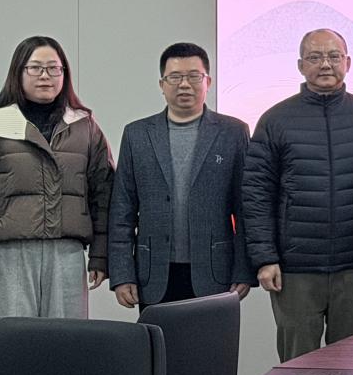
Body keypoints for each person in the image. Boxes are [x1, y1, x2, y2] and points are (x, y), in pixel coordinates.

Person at [243, 29, 353, 361]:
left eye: (334, 56)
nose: (325, 64)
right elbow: (256, 194)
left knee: (352, 366)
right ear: (300, 65)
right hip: (295, 269)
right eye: (315, 57)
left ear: (347, 63)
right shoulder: (276, 119)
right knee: (298, 367)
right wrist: (265, 258)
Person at [108, 42, 253, 308]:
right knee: (157, 337)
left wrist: (244, 270)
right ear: (162, 84)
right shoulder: (137, 134)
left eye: (194, 76)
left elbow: (245, 208)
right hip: (153, 274)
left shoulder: (233, 132)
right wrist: (122, 274)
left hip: (216, 272)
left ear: (208, 81)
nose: (184, 84)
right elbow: (122, 211)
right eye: (175, 77)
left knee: (212, 337)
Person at [0, 36, 113, 318]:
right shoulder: (1, 122)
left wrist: (100, 254)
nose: (45, 76)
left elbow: (104, 194)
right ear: (18, 72)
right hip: (9, 252)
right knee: (15, 338)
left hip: (66, 252)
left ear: (64, 74)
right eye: (35, 68)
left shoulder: (84, 126)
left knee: (66, 338)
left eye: (53, 68)